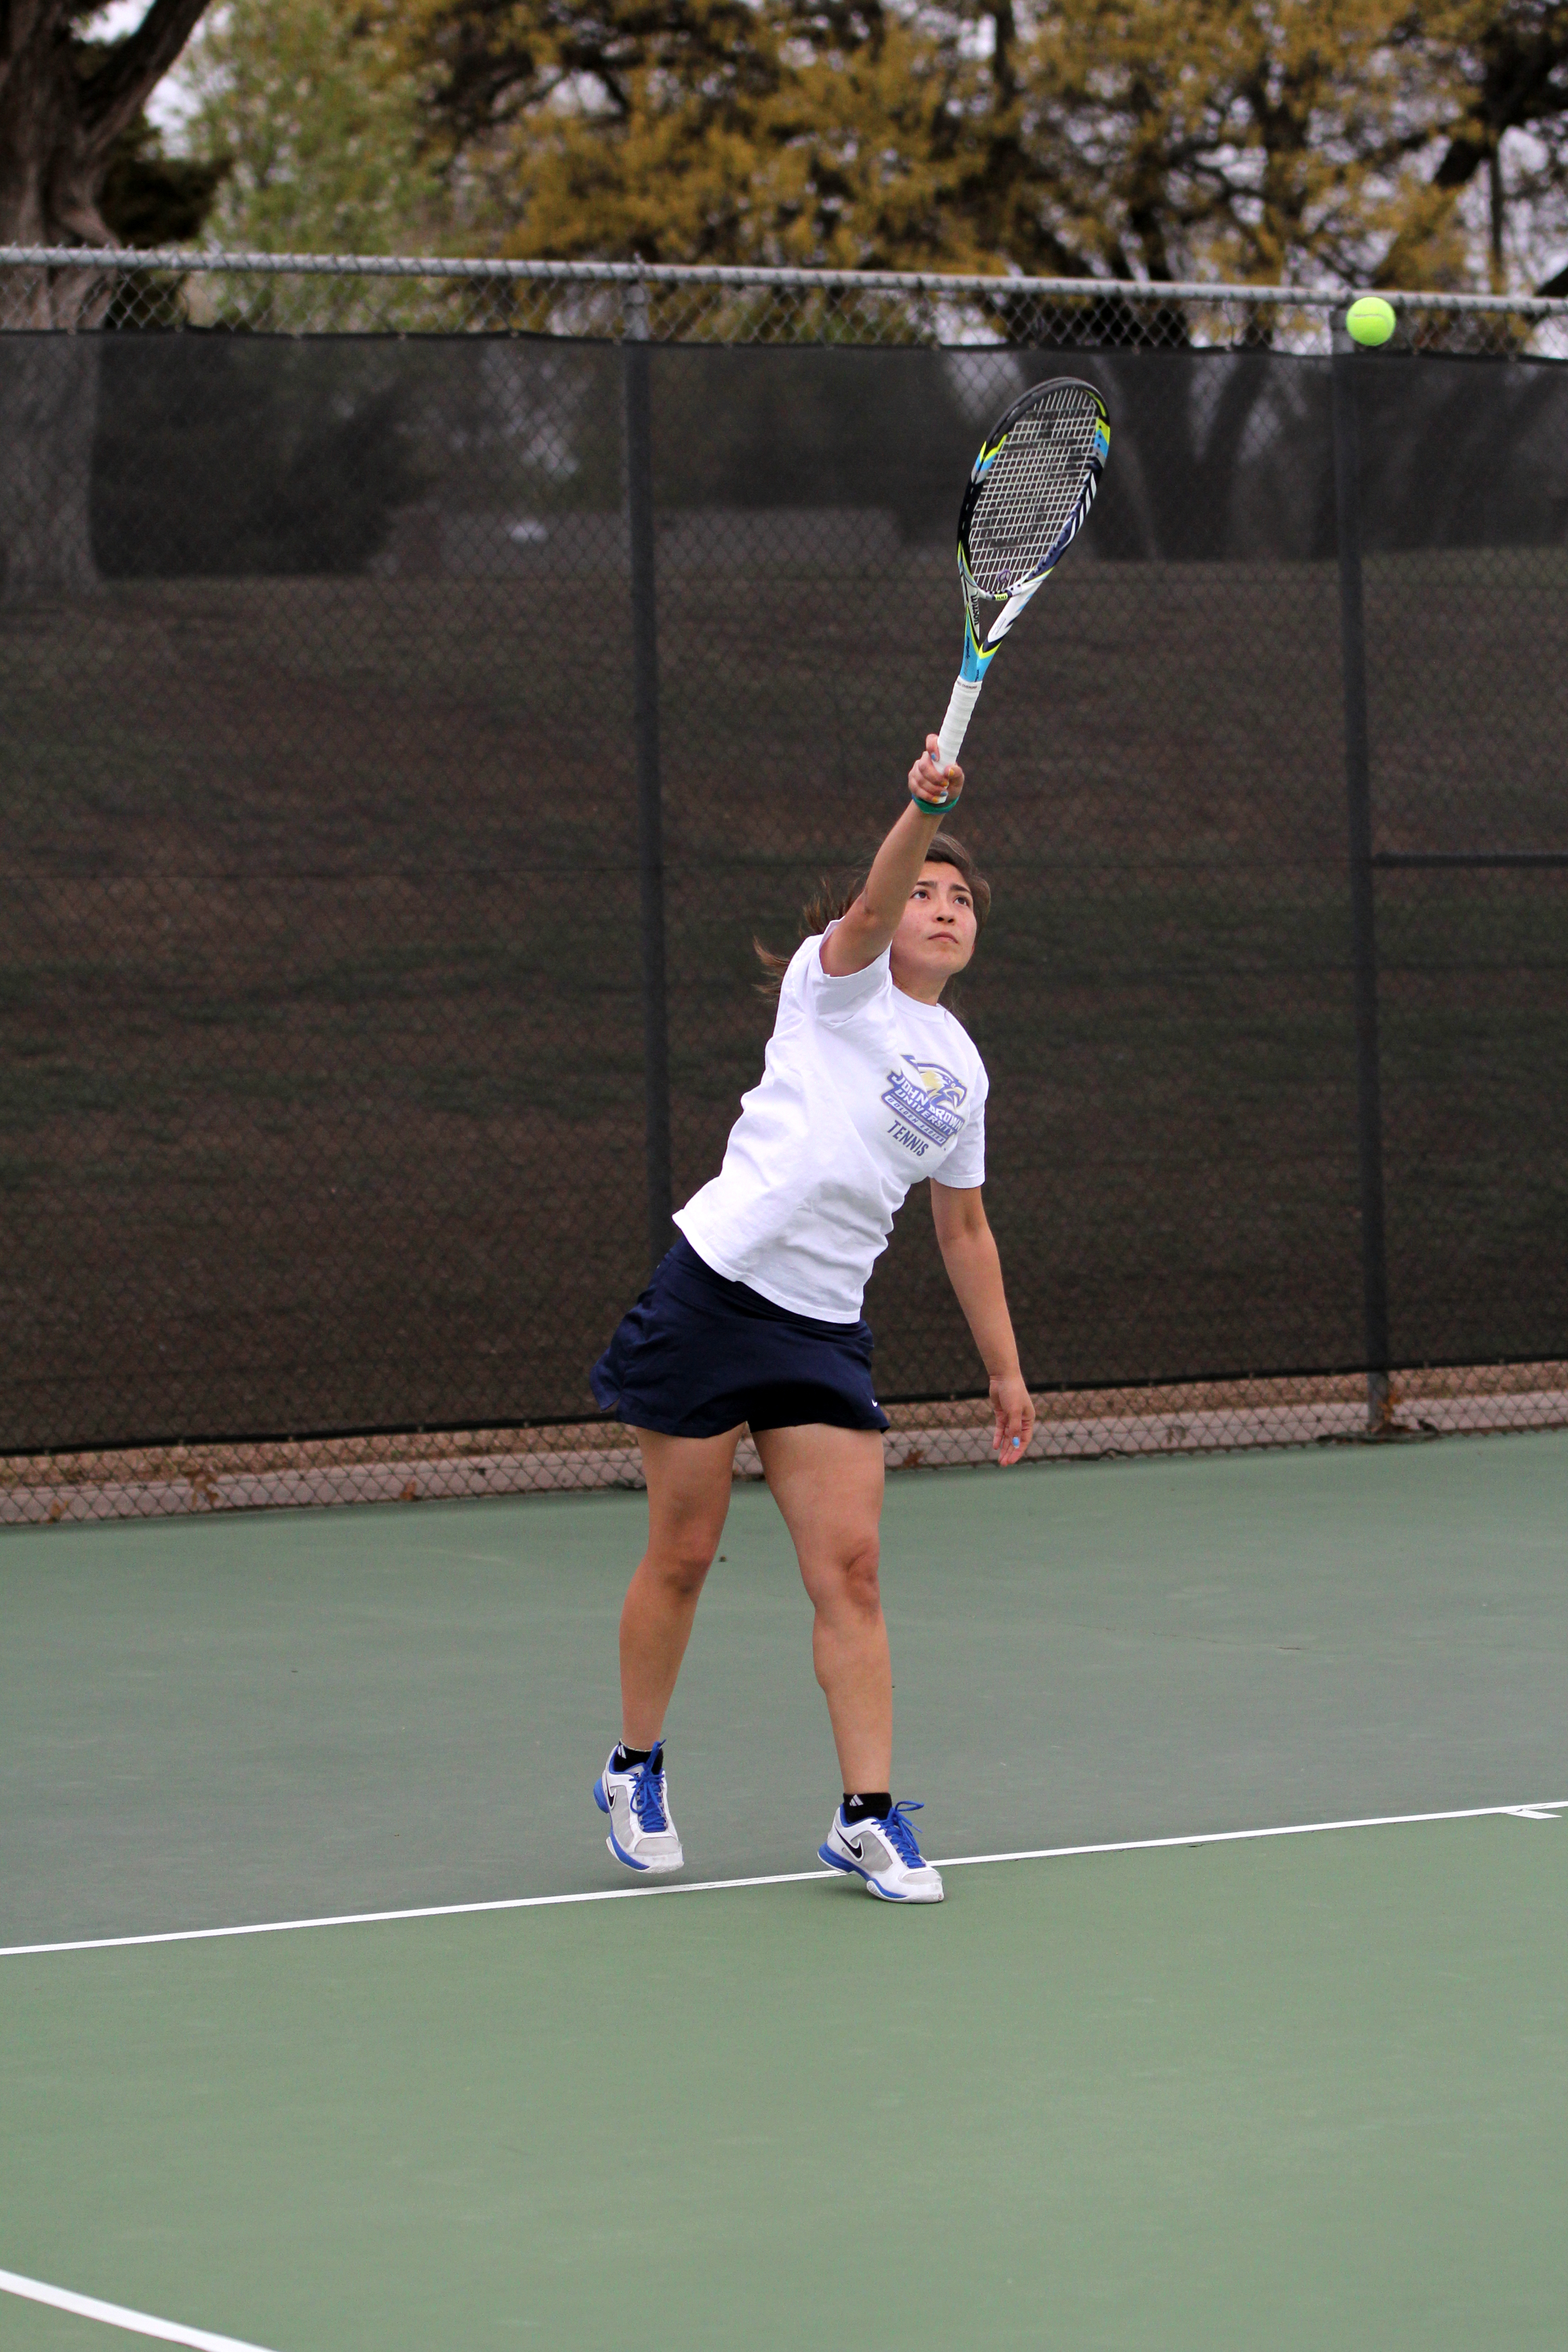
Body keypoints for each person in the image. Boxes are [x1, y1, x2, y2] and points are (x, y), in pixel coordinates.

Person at [589, 734, 1036, 1904]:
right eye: (925, 890)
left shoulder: (962, 1069)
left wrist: (1005, 1368)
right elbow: (875, 897)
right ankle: (634, 1764)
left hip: (819, 1328)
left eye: (960, 901)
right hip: (714, 1287)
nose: (940, 907)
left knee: (853, 1570)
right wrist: (919, 809)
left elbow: (964, 1231)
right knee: (682, 1553)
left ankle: (868, 1816)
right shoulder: (834, 985)